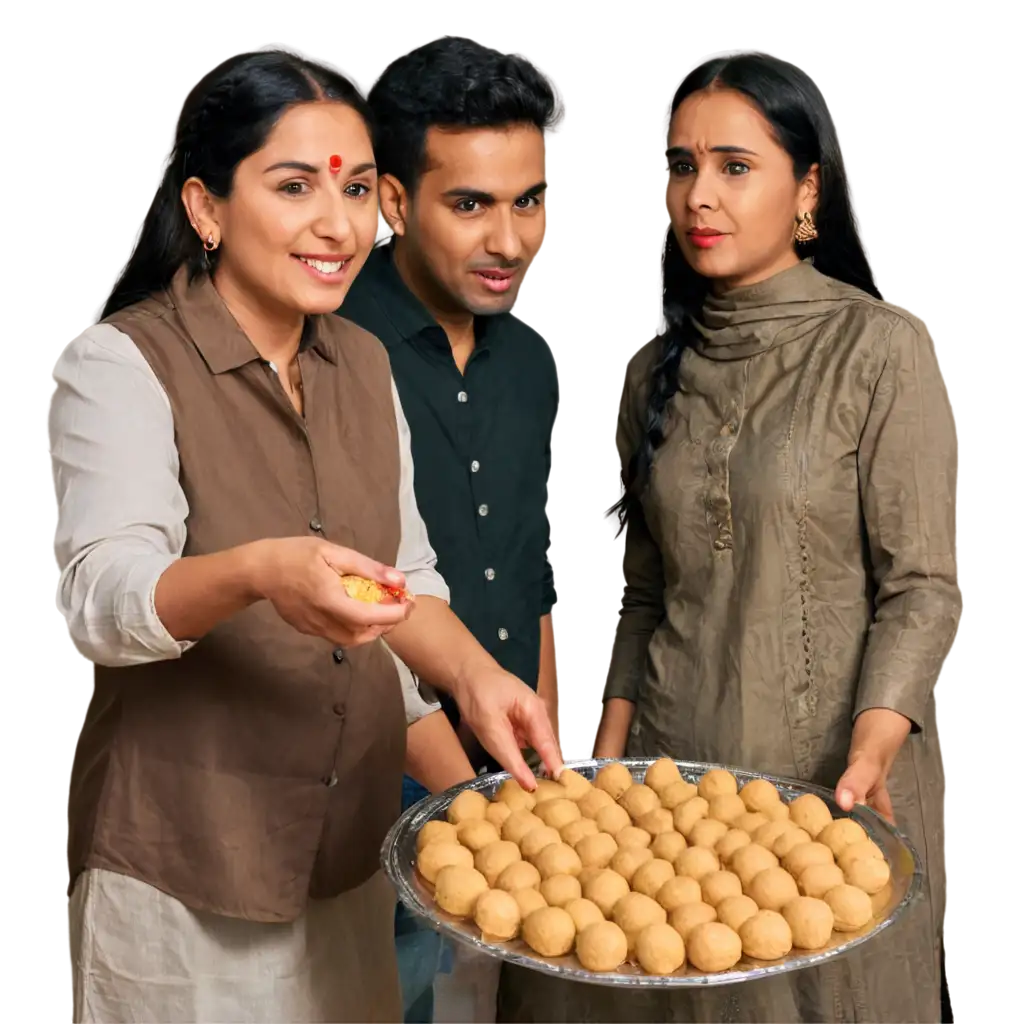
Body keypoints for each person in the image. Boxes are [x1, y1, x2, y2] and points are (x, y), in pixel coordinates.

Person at [45, 49, 561, 1024]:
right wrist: (257, 572)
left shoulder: (362, 362)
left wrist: (478, 677)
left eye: (358, 189)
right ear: (205, 209)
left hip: (348, 867)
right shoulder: (118, 363)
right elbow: (98, 597)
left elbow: (404, 575)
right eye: (294, 187)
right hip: (184, 878)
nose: (338, 223)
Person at [497, 54, 956, 1024]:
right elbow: (640, 588)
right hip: (675, 777)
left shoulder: (877, 349)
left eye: (734, 166)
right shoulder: (647, 366)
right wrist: (608, 778)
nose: (698, 195)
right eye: (680, 165)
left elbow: (918, 586)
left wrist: (873, 745)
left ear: (807, 190)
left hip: (829, 783)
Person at [337, 38, 561, 1024]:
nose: (508, 241)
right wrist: (464, 795)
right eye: (470, 204)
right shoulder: (330, 346)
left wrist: (541, 757)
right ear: (393, 201)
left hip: (501, 774)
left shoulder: (531, 358)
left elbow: (529, 560)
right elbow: (340, 594)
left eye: (528, 201)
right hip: (362, 777)